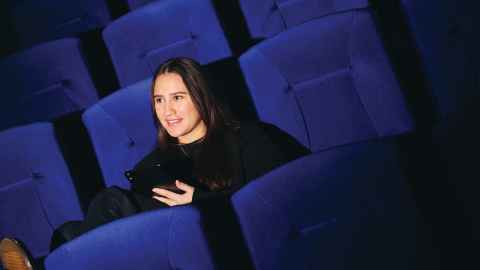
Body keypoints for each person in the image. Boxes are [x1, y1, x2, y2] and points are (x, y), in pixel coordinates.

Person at [0, 57, 310, 270]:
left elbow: (274, 200)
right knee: (76, 228)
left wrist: (199, 201)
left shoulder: (250, 138)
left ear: (202, 97)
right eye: (159, 101)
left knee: (106, 208)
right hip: (164, 249)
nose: (167, 110)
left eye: (178, 97)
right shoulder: (156, 161)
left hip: (224, 240)